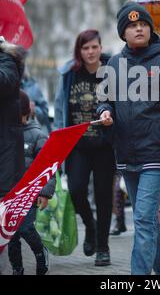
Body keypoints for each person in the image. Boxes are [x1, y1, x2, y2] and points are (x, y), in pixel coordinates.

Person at [98, 3, 160, 275]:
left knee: (142, 219)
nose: (138, 28)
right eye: (131, 25)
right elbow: (105, 100)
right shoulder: (114, 64)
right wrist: (104, 112)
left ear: (150, 29)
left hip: (157, 154)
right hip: (126, 154)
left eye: (143, 24)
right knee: (147, 220)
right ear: (122, 33)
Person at [54, 30, 115, 267]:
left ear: (100, 47)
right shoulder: (70, 74)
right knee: (77, 190)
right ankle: (90, 227)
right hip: (77, 145)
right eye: (85, 48)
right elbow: (60, 109)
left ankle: (103, 248)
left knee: (103, 197)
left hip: (104, 146)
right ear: (79, 50)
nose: (90, 52)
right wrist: (59, 141)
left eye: (94, 47)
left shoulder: (111, 71)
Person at [8, 90, 55, 275]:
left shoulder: (37, 135)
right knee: (10, 234)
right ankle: (17, 268)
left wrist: (45, 192)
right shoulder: (6, 134)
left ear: (26, 113)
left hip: (30, 193)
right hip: (9, 192)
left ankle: (40, 252)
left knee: (26, 228)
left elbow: (48, 166)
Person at [0, 37, 26, 275]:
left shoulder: (7, 60)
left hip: (5, 155)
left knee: (7, 216)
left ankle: (15, 265)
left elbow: (6, 82)